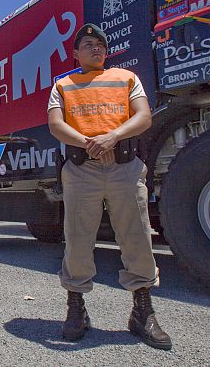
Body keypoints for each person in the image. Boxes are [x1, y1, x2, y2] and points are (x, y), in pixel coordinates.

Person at [47, 23, 172, 350]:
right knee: (77, 238)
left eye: (100, 44)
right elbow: (56, 125)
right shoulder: (63, 84)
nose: (96, 49)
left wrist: (112, 137)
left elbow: (143, 117)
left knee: (138, 237)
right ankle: (76, 309)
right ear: (76, 53)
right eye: (88, 44)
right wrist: (90, 143)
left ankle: (142, 312)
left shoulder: (126, 78)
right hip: (81, 170)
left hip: (125, 168)